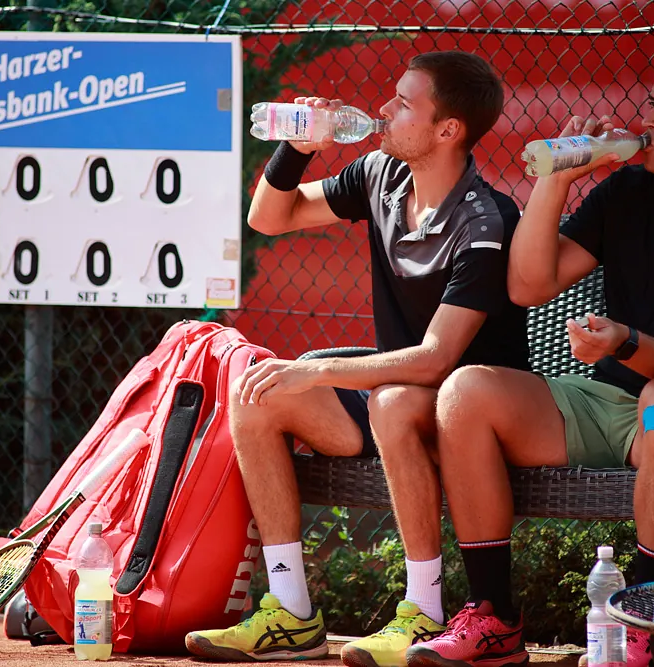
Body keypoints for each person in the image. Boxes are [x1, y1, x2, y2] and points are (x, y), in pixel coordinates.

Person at [405, 49, 654, 667]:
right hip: (601, 397)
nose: (649, 121)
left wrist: (626, 341)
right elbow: (528, 285)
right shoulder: (626, 192)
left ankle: (645, 622)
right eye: (650, 104)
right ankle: (494, 620)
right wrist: (557, 178)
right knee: (464, 392)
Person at [184, 51, 530, 666]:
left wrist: (316, 369)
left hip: (468, 417)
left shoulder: (486, 220)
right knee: (257, 389)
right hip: (390, 402)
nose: (384, 110)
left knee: (393, 399)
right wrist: (299, 146)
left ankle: (424, 612)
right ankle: (290, 613)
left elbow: (434, 360)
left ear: (447, 130)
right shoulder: (379, 174)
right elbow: (268, 217)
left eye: (404, 103)